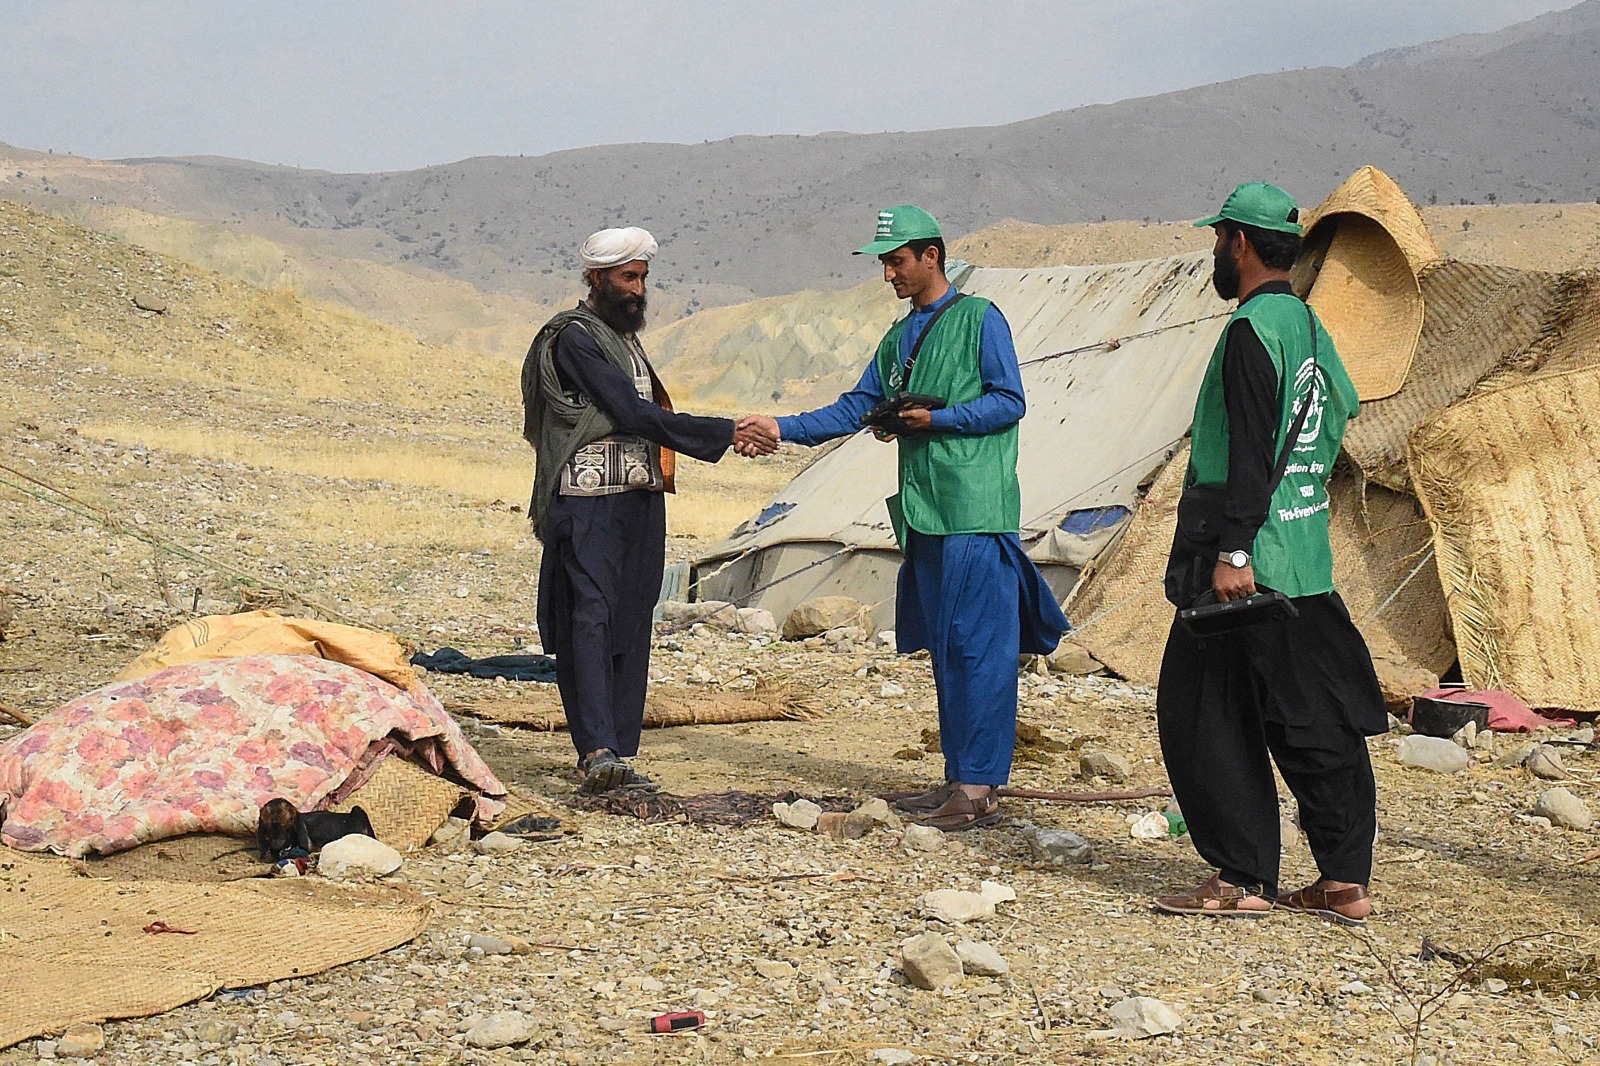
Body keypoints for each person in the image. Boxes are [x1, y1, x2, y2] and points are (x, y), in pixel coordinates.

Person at [739, 205, 1068, 831]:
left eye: (895, 260)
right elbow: (856, 408)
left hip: (973, 512)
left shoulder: (980, 319)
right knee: (946, 648)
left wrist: (934, 421)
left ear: (931, 256)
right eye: (883, 263)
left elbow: (1008, 402)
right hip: (923, 514)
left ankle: (977, 790)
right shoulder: (897, 340)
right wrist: (780, 428)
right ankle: (959, 779)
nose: (887, 272)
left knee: (979, 651)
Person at [1153, 183, 1388, 925]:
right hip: (1304, 554)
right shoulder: (1311, 328)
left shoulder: (1253, 328)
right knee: (1316, 719)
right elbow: (1342, 408)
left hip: (1242, 558)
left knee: (1202, 714)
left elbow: (1252, 448)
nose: (1215, 253)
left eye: (1218, 239)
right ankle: (1345, 880)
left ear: (1241, 244)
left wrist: (1232, 549)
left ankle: (1242, 878)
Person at [521, 226, 776, 793]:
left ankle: (620, 747)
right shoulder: (576, 338)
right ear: (596, 279)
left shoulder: (623, 339)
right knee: (589, 616)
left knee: (634, 615)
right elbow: (630, 413)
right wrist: (721, 432)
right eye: (626, 278)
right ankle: (595, 749)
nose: (637, 290)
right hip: (587, 502)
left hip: (637, 497)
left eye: (642, 278)